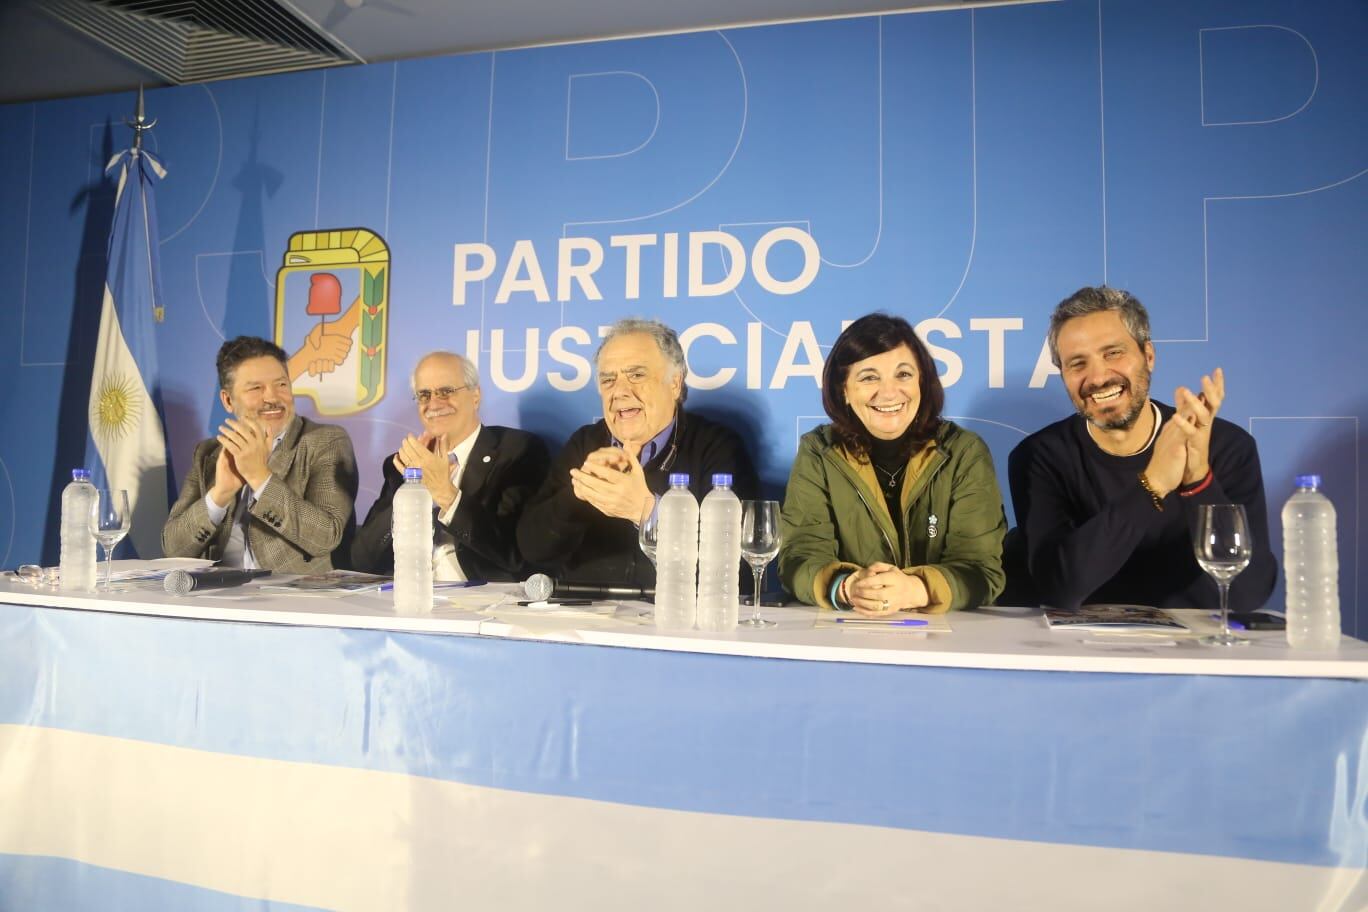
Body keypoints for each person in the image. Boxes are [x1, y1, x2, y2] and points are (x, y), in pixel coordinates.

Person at [1007, 285, 1276, 610]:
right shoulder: (1040, 457)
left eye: (1113, 353)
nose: (1098, 376)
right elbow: (1058, 588)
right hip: (1080, 649)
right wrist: (1153, 485)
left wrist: (1198, 480)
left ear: (1148, 356)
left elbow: (1248, 594)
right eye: (1077, 364)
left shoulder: (1228, 447)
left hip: (1196, 651)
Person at [779, 313, 1006, 614]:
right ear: (843, 390)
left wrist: (916, 590)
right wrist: (848, 587)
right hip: (850, 633)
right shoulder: (818, 452)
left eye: (903, 375)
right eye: (869, 377)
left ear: (922, 382)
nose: (889, 392)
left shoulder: (964, 452)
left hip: (945, 640)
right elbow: (799, 559)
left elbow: (982, 572)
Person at [517, 318, 758, 587]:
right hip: (590, 614)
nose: (620, 391)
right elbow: (533, 551)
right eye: (608, 380)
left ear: (675, 383)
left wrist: (645, 512)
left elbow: (739, 569)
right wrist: (579, 494)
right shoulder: (585, 444)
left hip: (676, 616)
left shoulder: (717, 446)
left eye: (637, 375)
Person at [162, 336, 358, 573]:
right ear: (227, 400)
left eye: (282, 384)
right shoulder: (208, 453)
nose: (273, 397)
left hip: (294, 598)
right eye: (256, 388)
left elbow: (327, 536)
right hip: (216, 597)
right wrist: (220, 495)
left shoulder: (325, 441)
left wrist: (260, 478)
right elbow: (173, 549)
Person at [350, 351, 549, 581]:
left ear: (476, 396)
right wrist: (410, 492)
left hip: (482, 601)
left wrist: (445, 493)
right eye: (424, 395)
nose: (434, 403)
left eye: (446, 392)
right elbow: (361, 561)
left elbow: (515, 555)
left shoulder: (516, 451)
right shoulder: (404, 464)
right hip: (411, 599)